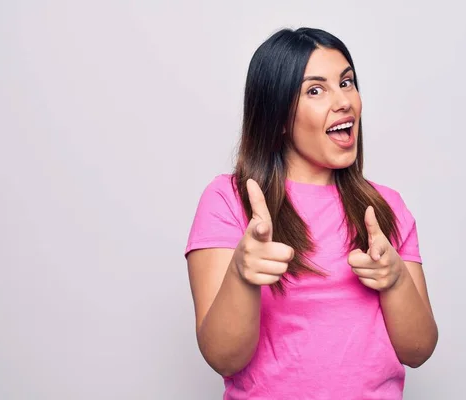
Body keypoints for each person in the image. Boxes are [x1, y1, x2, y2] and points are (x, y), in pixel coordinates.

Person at [184, 27, 438, 399]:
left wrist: (397, 280)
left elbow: (418, 350)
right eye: (315, 90)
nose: (344, 101)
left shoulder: (386, 207)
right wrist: (241, 275)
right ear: (280, 117)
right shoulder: (228, 199)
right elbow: (224, 357)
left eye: (347, 82)